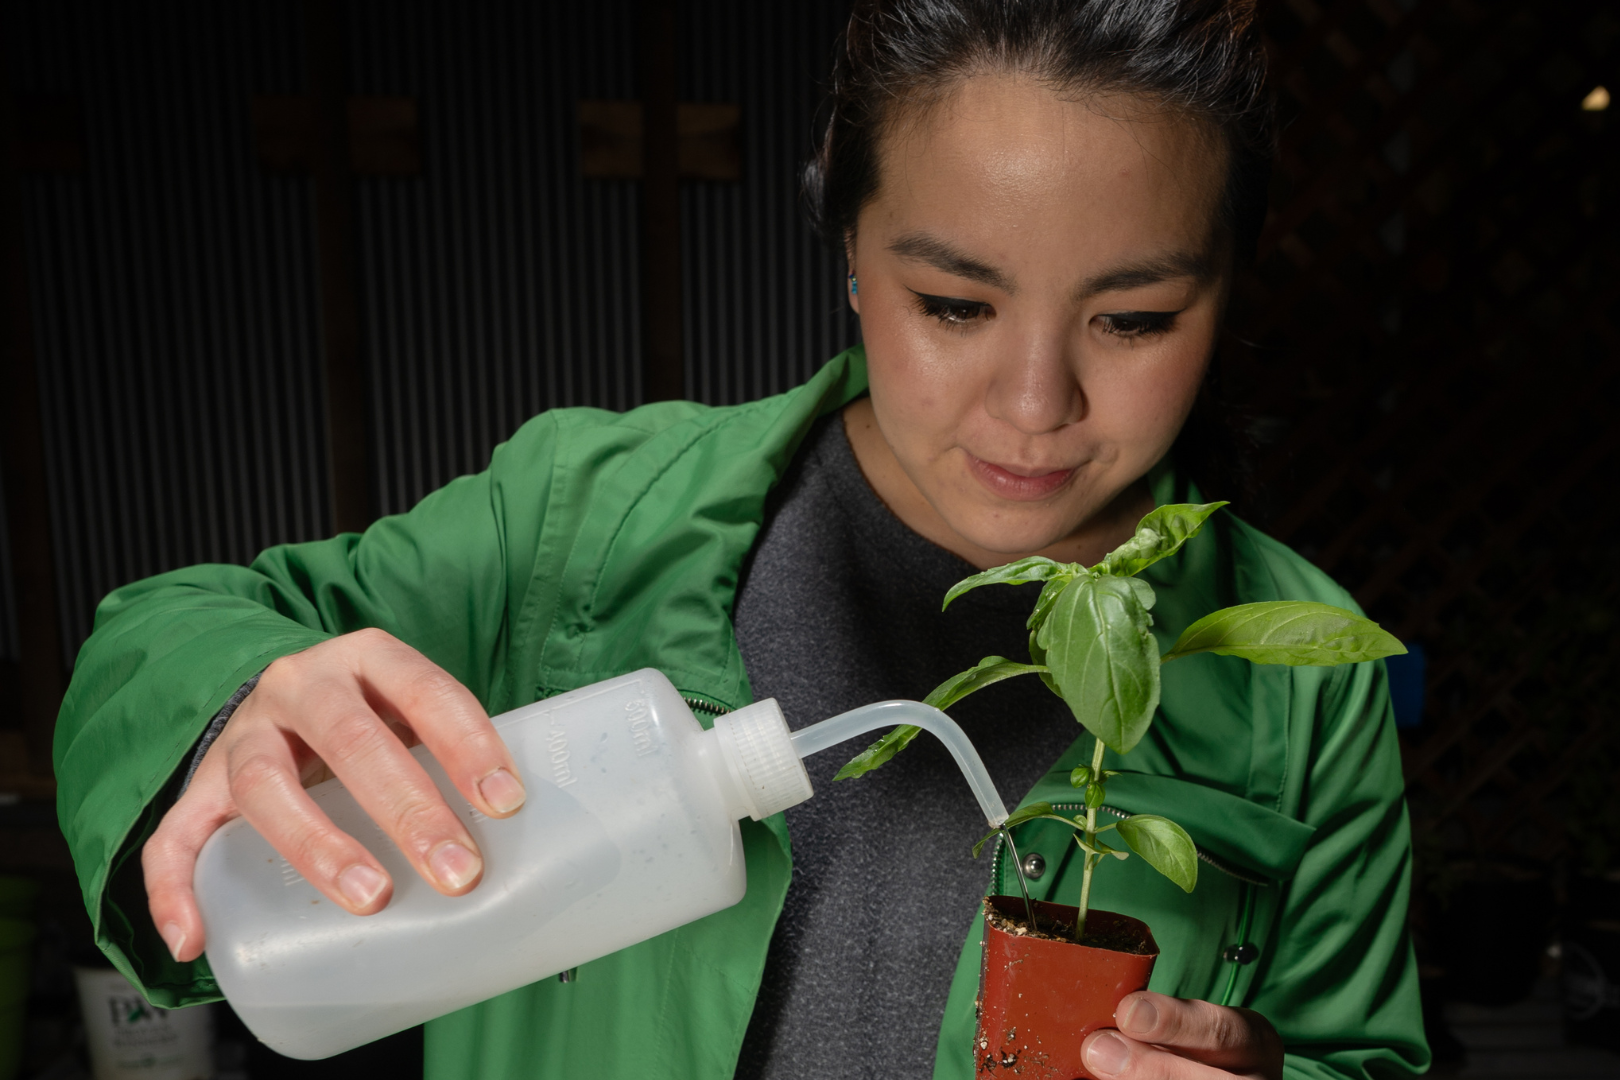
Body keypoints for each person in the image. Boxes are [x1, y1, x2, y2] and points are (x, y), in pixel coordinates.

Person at [54, 1, 1428, 1077]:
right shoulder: (582, 522)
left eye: (1133, 320)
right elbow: (172, 627)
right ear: (846, 242)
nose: (1034, 406)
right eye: (952, 301)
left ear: (1229, 285)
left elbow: (1354, 1053)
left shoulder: (1301, 683)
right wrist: (236, 703)